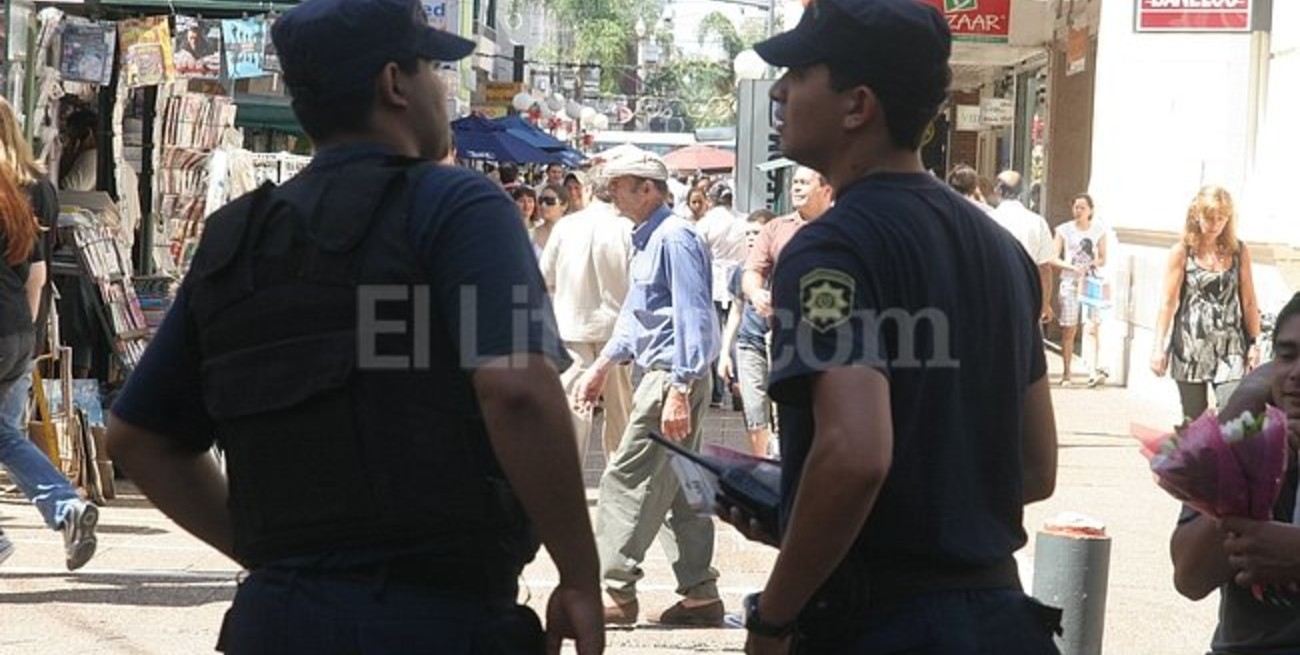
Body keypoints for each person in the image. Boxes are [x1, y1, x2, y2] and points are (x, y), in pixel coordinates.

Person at [105, 1, 603, 652]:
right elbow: (517, 392)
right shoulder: (460, 207)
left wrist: (279, 558)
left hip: (272, 623)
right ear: (395, 84)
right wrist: (580, 574)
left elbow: (138, 437)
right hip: (439, 621)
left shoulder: (237, 237)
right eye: (432, 69)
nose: (444, 90)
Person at [723, 1, 1061, 653]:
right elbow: (1034, 466)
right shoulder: (1002, 252)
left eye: (798, 71)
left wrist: (773, 617)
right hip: (997, 618)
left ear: (858, 105)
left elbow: (854, 454)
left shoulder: (828, 252)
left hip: (879, 622)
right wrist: (803, 507)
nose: (783, 90)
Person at [569, 148, 725, 628]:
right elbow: (638, 315)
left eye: (620, 183)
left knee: (625, 478)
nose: (611, 191)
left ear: (649, 189)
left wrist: (680, 384)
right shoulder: (650, 236)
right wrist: (603, 367)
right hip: (666, 373)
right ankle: (700, 594)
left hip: (670, 375)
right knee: (680, 485)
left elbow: (692, 314)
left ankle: (616, 590)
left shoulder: (673, 237)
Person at [1170, 291, 1300, 654]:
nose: (1296, 374)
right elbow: (1189, 579)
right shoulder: (1246, 434)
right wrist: (1249, 473)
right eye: (1287, 356)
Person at [0, 158, 100, 571]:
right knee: (5, 434)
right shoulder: (15, 200)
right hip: (17, 329)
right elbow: (36, 275)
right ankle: (66, 508)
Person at [540, 173, 635, 461]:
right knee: (620, 413)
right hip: (616, 331)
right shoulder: (628, 228)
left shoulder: (566, 226)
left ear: (590, 190)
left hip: (572, 328)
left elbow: (545, 276)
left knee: (574, 410)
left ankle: (568, 480)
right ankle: (618, 482)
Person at [1152, 185, 1262, 420]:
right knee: (1195, 422)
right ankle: (1198, 457)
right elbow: (1168, 302)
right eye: (1209, 217)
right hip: (1190, 346)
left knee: (1233, 416)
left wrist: (1255, 342)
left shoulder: (1238, 251)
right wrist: (1158, 346)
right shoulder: (1182, 251)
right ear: (1196, 215)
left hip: (1230, 346)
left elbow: (1249, 301)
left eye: (1221, 218)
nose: (1215, 224)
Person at [718, 208, 778, 456]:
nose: (752, 238)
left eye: (757, 232)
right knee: (754, 411)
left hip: (780, 344)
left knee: (780, 410)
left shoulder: (785, 266)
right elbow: (736, 310)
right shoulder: (741, 270)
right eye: (748, 234)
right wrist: (724, 353)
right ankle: (761, 464)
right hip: (749, 344)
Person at [695, 181, 746, 408]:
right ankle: (738, 386)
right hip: (738, 279)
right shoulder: (743, 220)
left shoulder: (705, 223)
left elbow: (699, 255)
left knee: (715, 337)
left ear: (711, 199)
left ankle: (716, 393)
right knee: (735, 337)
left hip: (713, 282)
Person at [1052, 193, 1107, 387]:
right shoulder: (1063, 230)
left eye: (1083, 207)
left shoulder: (1099, 231)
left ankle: (1093, 370)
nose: (1079, 211)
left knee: (1092, 326)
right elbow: (1053, 256)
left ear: (1090, 210)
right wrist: (1071, 267)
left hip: (1091, 281)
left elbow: (1103, 257)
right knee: (1069, 328)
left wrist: (1091, 264)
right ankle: (1067, 373)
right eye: (1076, 207)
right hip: (1070, 281)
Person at [991, 170, 1056, 323]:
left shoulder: (987, 220)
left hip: (993, 293)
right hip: (1027, 295)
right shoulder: (1037, 222)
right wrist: (1045, 304)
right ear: (1022, 191)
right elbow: (1045, 268)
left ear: (998, 190)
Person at [59, 109, 99, 192]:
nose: (67, 145)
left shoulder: (92, 157)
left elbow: (64, 192)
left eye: (71, 137)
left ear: (88, 135)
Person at [532, 182, 569, 254]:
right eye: (541, 201)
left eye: (550, 201)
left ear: (564, 205)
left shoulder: (575, 235)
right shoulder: (530, 235)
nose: (543, 205)